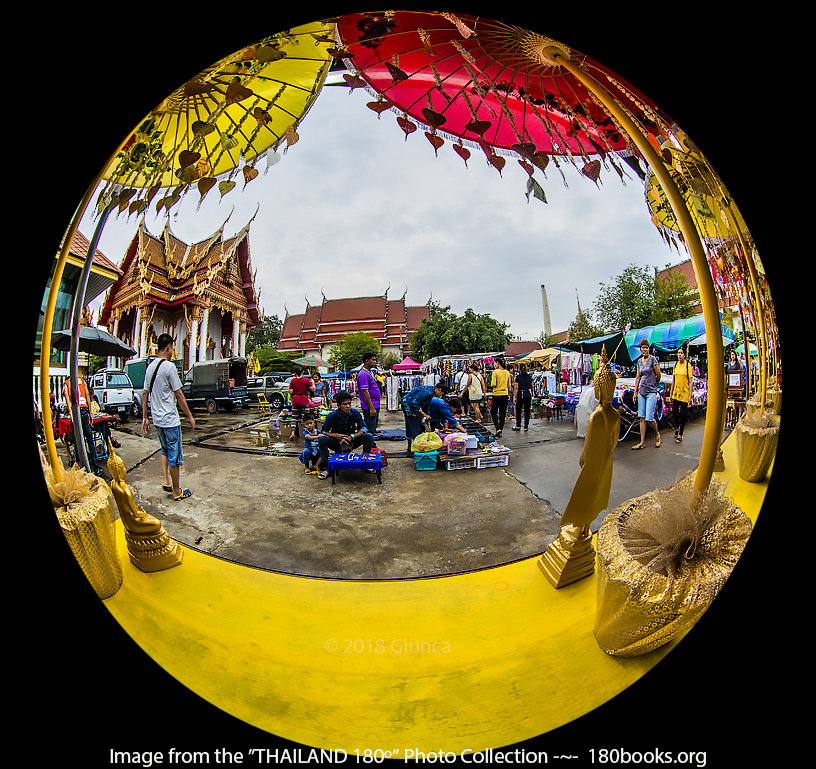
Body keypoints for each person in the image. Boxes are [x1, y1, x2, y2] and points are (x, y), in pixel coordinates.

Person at [141, 334, 195, 500]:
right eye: (173, 348)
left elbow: (144, 394)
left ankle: (165, 480)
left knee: (164, 449)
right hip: (170, 420)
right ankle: (177, 491)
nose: (173, 351)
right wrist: (190, 416)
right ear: (169, 347)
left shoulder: (150, 367)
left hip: (157, 419)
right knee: (175, 456)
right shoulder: (169, 367)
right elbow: (179, 394)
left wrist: (145, 417)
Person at [316, 390, 374, 479]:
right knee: (322, 440)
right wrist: (337, 436)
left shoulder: (355, 413)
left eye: (349, 403)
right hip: (336, 443)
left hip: (352, 441)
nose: (348, 406)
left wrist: (352, 436)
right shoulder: (332, 416)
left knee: (369, 436)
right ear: (338, 405)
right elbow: (324, 431)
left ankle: (366, 465)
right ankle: (325, 468)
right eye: (344, 404)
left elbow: (364, 428)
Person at [62, 372, 101, 475]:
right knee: (89, 439)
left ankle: (80, 469)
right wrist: (90, 413)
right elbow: (87, 395)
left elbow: (67, 397)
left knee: (77, 441)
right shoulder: (82, 381)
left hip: (75, 412)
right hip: (84, 410)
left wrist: (71, 414)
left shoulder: (66, 383)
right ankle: (95, 468)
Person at [631, 338, 661, 449]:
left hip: (651, 391)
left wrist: (654, 384)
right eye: (643, 348)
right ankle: (642, 442)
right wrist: (635, 391)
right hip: (642, 391)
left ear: (649, 349)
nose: (645, 350)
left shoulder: (653, 360)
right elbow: (638, 377)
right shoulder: (639, 362)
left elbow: (658, 375)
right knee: (642, 418)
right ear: (640, 349)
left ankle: (657, 434)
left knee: (649, 418)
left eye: (646, 348)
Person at [357, 352, 381, 437]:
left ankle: (372, 439)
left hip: (375, 404)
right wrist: (371, 407)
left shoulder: (369, 372)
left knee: (372, 426)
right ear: (367, 361)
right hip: (370, 406)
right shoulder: (363, 374)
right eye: (373, 360)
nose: (375, 362)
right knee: (369, 429)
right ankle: (370, 447)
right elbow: (365, 391)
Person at [288, 368, 315, 440]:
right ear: (302, 372)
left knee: (294, 417)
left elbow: (290, 391)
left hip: (295, 401)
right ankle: (304, 433)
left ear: (295, 373)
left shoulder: (292, 381)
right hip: (304, 400)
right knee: (304, 418)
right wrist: (312, 382)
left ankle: (292, 433)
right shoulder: (306, 380)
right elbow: (313, 389)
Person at [671, 346, 692, 443]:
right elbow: (674, 379)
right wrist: (671, 391)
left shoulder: (688, 366)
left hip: (685, 392)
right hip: (676, 392)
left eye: (681, 353)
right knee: (674, 411)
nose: (679, 355)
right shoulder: (675, 365)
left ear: (684, 355)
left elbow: (691, 381)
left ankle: (680, 434)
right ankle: (677, 427)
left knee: (683, 414)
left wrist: (690, 396)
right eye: (678, 353)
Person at [489, 357, 513, 438]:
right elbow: (509, 386)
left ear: (498, 363)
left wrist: (490, 384)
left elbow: (493, 384)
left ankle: (497, 428)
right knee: (502, 413)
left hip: (496, 394)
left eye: (495, 363)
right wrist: (509, 394)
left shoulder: (495, 372)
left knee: (493, 411)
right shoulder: (506, 372)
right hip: (505, 394)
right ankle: (501, 431)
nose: (494, 365)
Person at [511, 363, 534, 431]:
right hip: (528, 394)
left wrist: (515, 397)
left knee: (518, 410)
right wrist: (532, 394)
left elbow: (516, 388)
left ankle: (518, 425)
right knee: (527, 411)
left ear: (519, 369)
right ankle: (526, 426)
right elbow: (532, 386)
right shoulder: (529, 377)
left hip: (520, 394)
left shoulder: (518, 377)